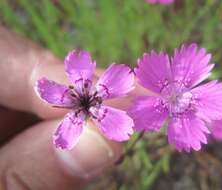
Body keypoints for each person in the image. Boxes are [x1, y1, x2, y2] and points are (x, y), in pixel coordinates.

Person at [0, 26, 145, 190]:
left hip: (90, 108)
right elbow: (44, 90)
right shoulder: (74, 111)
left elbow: (122, 78)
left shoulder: (85, 99)